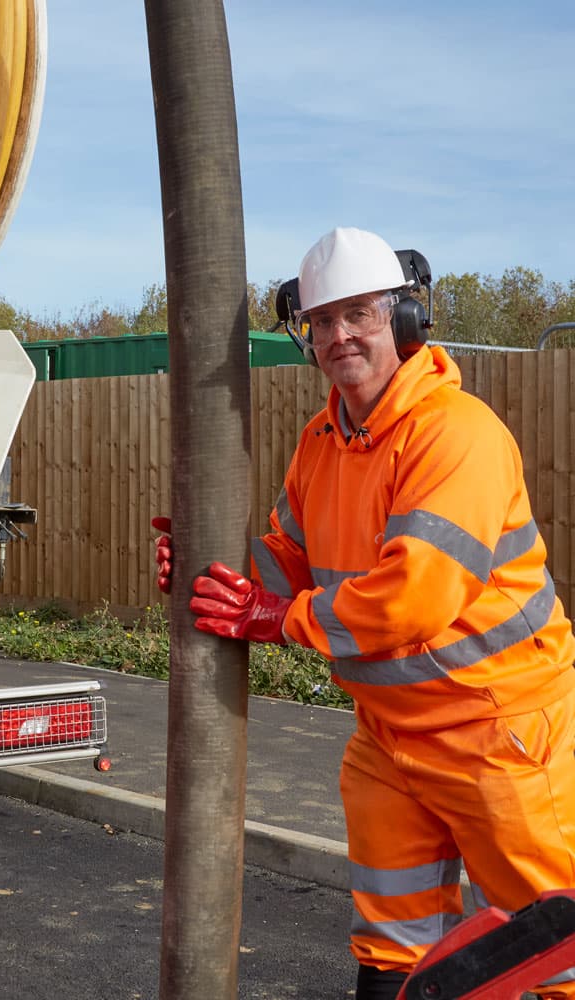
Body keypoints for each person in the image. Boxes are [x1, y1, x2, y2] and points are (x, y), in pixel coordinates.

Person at [154, 227, 575, 1000]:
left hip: (498, 731)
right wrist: (213, 570)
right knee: (394, 946)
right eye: (322, 320)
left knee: (549, 945)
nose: (340, 334)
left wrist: (273, 618)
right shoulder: (323, 442)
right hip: (390, 737)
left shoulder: (457, 436)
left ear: (405, 321)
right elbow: (290, 556)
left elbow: (416, 597)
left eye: (360, 314)